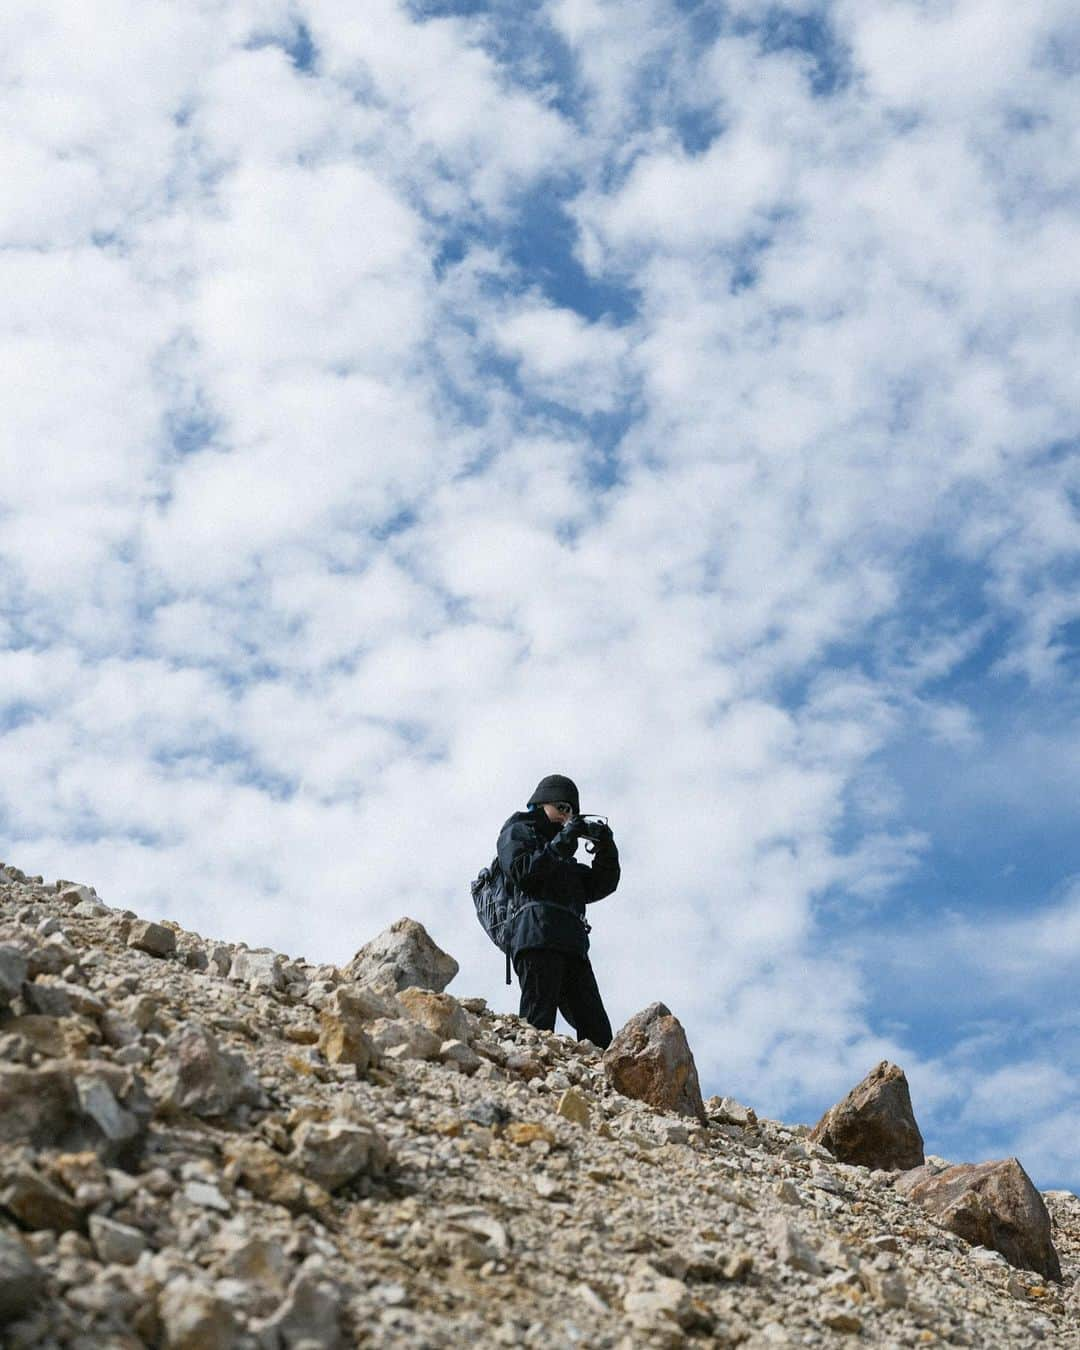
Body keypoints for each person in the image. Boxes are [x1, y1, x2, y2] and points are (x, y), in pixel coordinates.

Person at [497, 774, 620, 1047]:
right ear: (542, 804)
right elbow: (524, 872)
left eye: (572, 813)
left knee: (597, 1030)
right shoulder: (518, 831)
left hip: (573, 945)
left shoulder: (565, 859)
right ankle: (528, 1078)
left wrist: (606, 850)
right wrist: (564, 840)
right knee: (537, 1024)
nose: (567, 817)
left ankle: (599, 1086)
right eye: (562, 808)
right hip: (536, 935)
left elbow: (602, 884)